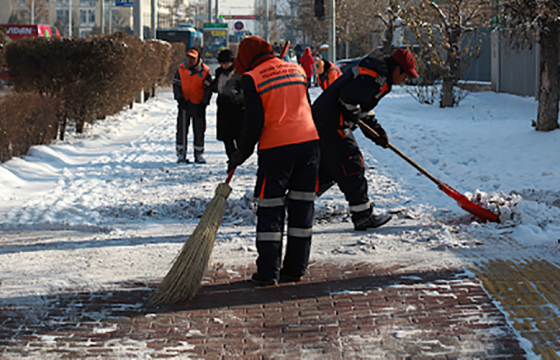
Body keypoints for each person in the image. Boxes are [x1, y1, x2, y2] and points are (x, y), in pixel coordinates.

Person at [228, 36, 320, 286]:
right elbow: (306, 107)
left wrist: (239, 155)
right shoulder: (297, 69)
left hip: (277, 149)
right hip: (309, 144)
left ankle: (268, 272)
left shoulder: (253, 77)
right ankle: (295, 268)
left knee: (271, 209)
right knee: (302, 209)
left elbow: (253, 124)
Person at [312, 49, 419, 231]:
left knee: (331, 170)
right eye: (405, 75)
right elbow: (349, 100)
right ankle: (362, 216)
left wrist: (378, 134)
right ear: (397, 69)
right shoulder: (373, 77)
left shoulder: (379, 77)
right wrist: (354, 116)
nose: (406, 79)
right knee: (352, 165)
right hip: (330, 123)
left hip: (326, 121)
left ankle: (294, 202)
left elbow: (364, 108)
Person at [172, 47, 213, 164]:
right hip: (184, 104)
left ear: (198, 58)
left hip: (198, 105)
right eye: (188, 57)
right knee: (181, 129)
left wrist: (204, 103)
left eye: (193, 58)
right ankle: (181, 153)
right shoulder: (180, 69)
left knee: (199, 129)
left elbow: (208, 89)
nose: (190, 60)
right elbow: (176, 85)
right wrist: (179, 99)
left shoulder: (205, 71)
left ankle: (199, 153)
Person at [210, 49, 244, 161]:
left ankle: (240, 154)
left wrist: (237, 95)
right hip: (223, 107)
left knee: (239, 135)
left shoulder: (238, 72)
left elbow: (243, 90)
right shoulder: (219, 72)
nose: (224, 65)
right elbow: (216, 87)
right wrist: (211, 85)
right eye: (222, 63)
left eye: (226, 62)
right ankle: (231, 156)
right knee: (226, 136)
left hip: (236, 108)